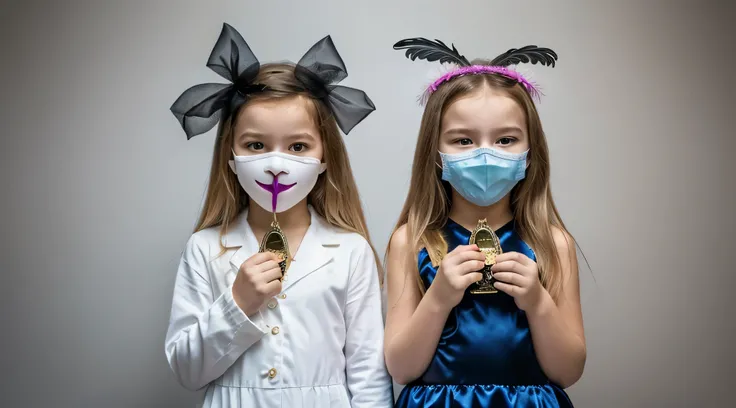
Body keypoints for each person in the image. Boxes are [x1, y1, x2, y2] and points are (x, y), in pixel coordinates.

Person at [164, 23, 393, 408]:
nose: (275, 165)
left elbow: (368, 372)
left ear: (324, 158)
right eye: (256, 145)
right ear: (231, 157)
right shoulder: (204, 248)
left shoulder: (351, 251)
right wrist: (237, 302)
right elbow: (187, 371)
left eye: (298, 146)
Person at [384, 38, 586, 407]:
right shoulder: (412, 243)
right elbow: (401, 368)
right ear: (436, 153)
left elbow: (568, 372)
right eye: (463, 140)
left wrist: (538, 302)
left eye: (506, 139)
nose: (486, 154)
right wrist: (439, 297)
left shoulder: (552, 244)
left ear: (530, 152)